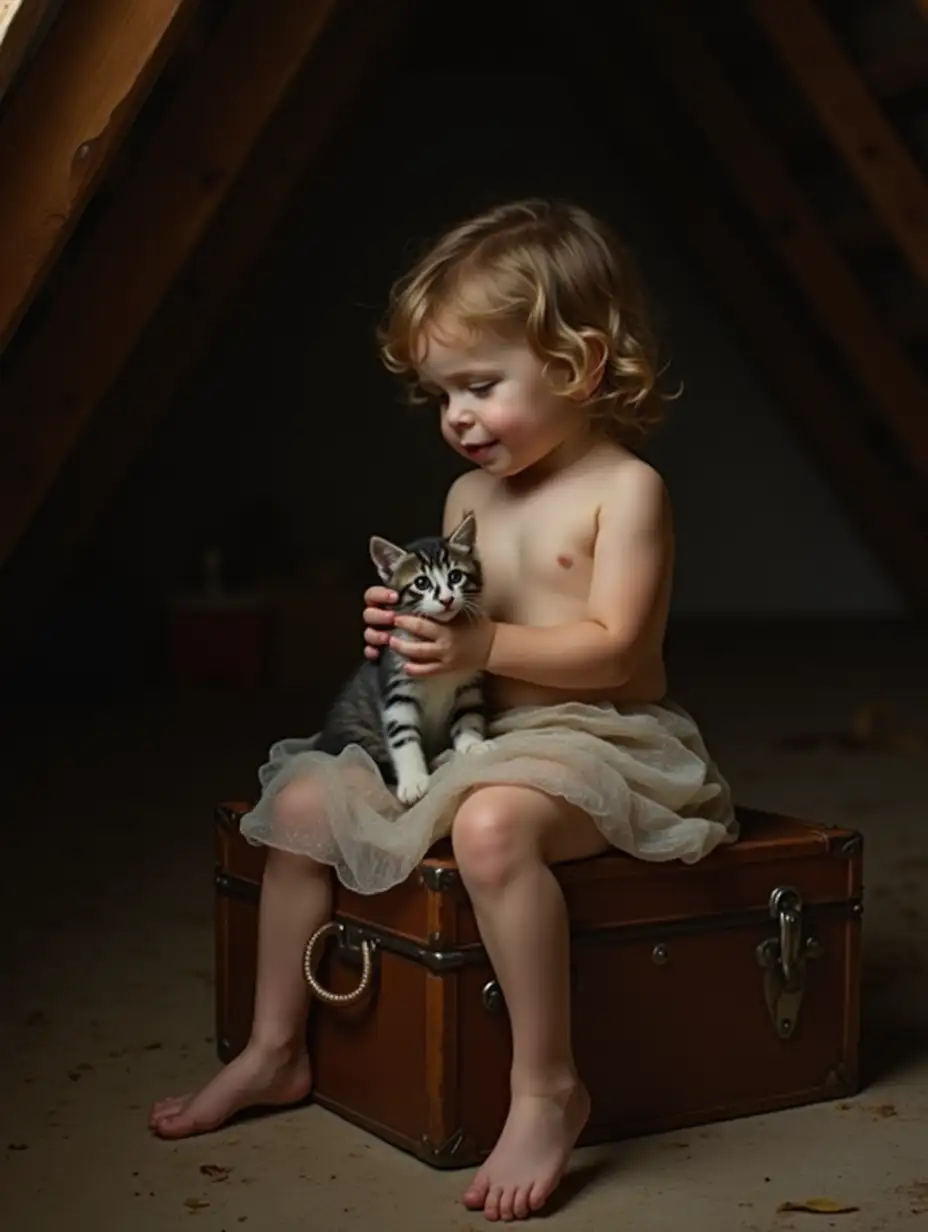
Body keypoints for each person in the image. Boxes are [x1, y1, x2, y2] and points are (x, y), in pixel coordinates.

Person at [149, 199, 736, 1223]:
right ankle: (275, 1045)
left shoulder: (624, 490)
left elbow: (623, 652)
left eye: (478, 386)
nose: (456, 417)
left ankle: (546, 1085)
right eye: (439, 395)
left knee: (489, 824)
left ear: (579, 363)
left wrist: (482, 645)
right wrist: (405, 638)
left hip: (598, 738)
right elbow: (451, 638)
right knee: (298, 797)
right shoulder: (466, 496)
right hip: (477, 729)